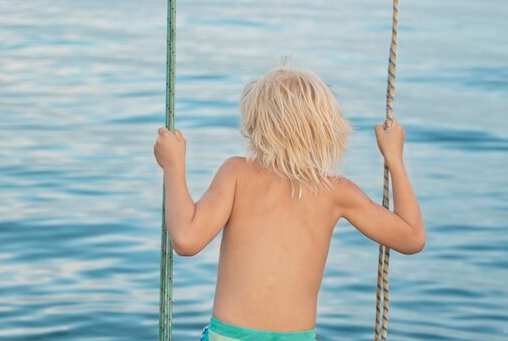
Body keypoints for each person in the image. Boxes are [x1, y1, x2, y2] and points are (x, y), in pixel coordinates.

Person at [153, 59, 425, 341]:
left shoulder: (236, 173)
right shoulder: (335, 191)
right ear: (326, 130)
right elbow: (411, 236)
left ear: (254, 125)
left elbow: (186, 239)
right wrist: (394, 159)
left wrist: (174, 166)